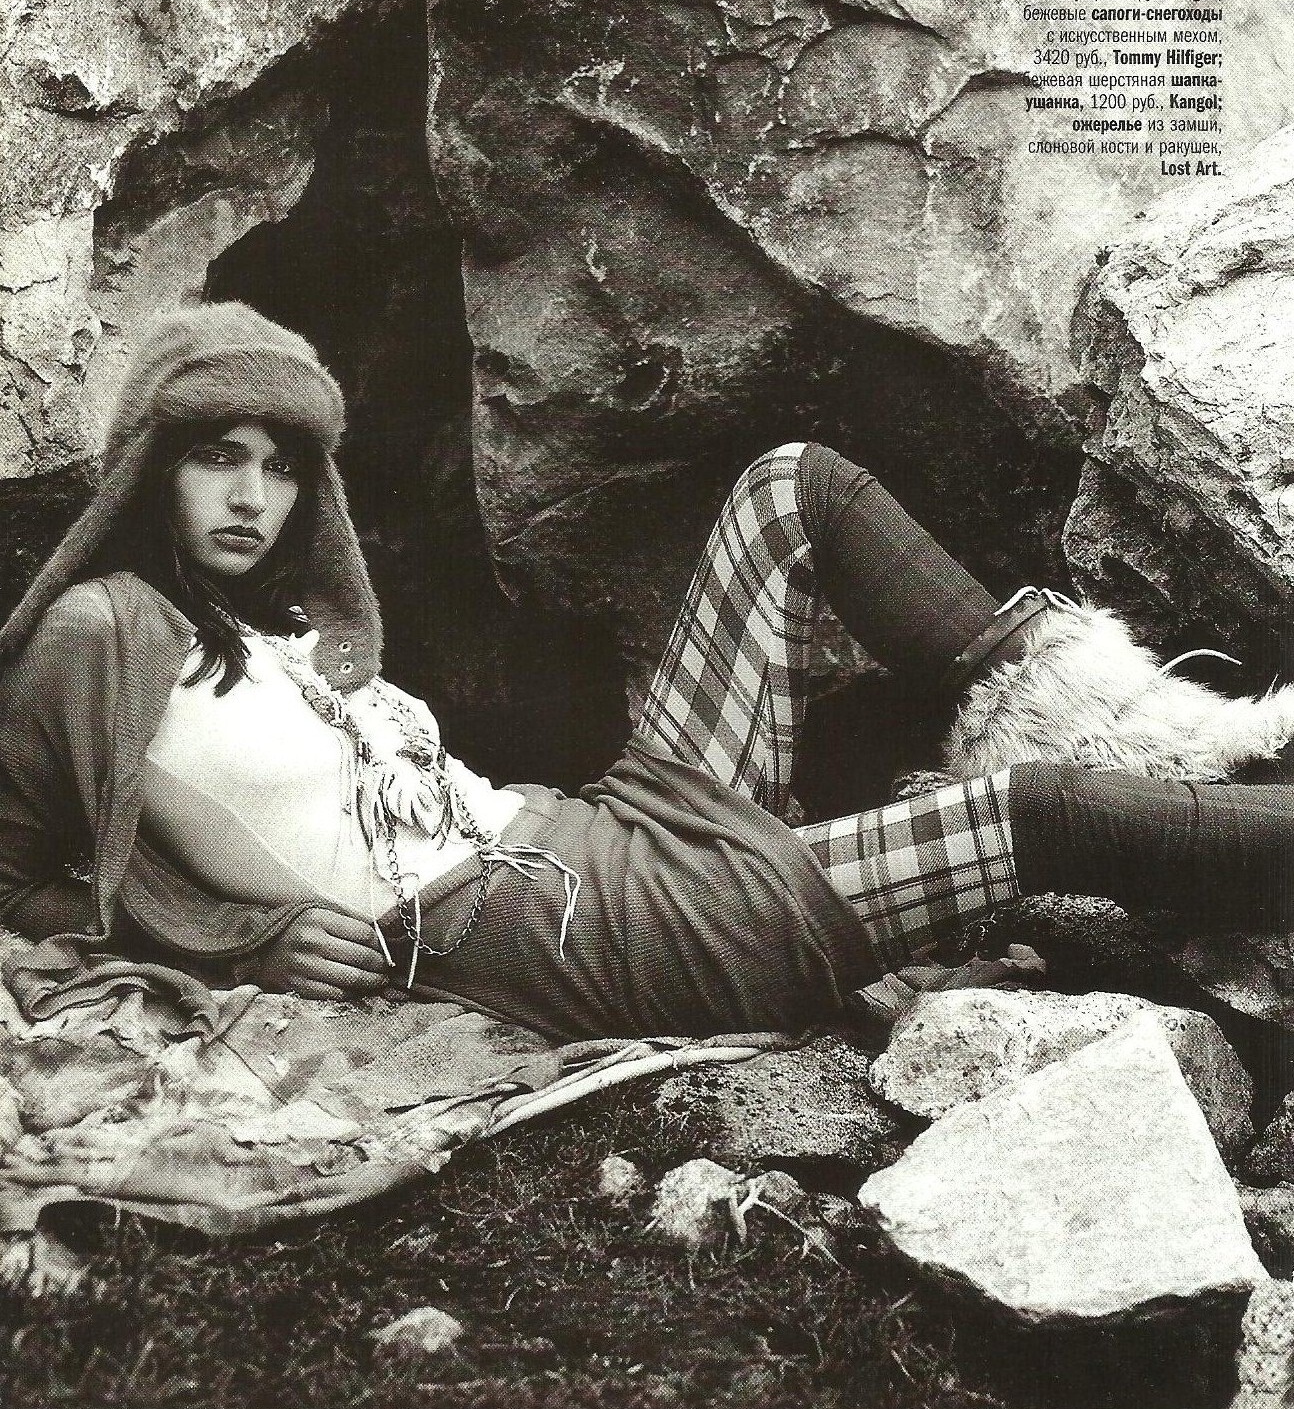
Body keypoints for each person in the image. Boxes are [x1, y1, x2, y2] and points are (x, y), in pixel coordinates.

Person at [0, 301, 1289, 1044]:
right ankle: (1165, 794)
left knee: (793, 488)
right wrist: (243, 938)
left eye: (282, 466)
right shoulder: (100, 634)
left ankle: (1102, 718)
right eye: (216, 455)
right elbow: (15, 879)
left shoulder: (275, 631)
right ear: (148, 464)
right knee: (1038, 817)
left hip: (591, 831)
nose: (253, 495)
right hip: (570, 938)